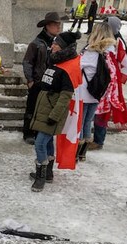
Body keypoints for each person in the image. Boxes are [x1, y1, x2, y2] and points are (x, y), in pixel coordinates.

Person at [27, 31, 79, 192]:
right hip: (44, 110)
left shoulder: (68, 68)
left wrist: (54, 116)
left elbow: (65, 96)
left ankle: (41, 176)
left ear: (63, 47)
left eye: (56, 44)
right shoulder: (55, 61)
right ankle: (48, 173)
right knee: (47, 143)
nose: (53, 45)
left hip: (51, 113)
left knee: (40, 144)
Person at [90, 15, 127, 151]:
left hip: (108, 84)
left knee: (102, 113)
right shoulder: (105, 40)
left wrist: (117, 83)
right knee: (98, 112)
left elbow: (126, 67)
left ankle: (98, 140)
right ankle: (96, 139)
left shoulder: (118, 43)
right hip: (101, 82)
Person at [77, 22, 115, 161]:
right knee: (88, 122)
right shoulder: (111, 51)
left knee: (80, 122)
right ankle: (83, 154)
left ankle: (76, 153)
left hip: (85, 92)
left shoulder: (91, 51)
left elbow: (78, 66)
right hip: (98, 93)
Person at [23, 12, 62, 146]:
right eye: (56, 25)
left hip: (50, 83)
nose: (59, 27)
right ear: (48, 26)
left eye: (59, 25)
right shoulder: (36, 43)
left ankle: (39, 132)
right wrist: (30, 80)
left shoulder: (58, 43)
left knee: (43, 110)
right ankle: (28, 133)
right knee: (31, 108)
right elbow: (27, 62)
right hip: (37, 82)